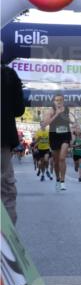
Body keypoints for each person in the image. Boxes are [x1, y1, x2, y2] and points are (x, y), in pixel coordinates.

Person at [2, 55, 25, 223]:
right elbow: (19, 110)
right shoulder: (9, 75)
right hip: (2, 135)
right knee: (5, 188)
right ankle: (5, 240)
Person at [41, 93, 76, 191]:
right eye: (57, 100)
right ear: (54, 101)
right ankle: (57, 179)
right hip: (54, 136)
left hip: (65, 135)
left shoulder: (66, 109)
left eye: (60, 100)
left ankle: (63, 181)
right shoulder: (50, 110)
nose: (59, 102)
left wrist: (73, 123)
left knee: (62, 158)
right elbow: (46, 123)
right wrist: (56, 113)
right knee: (56, 162)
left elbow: (66, 119)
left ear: (63, 100)